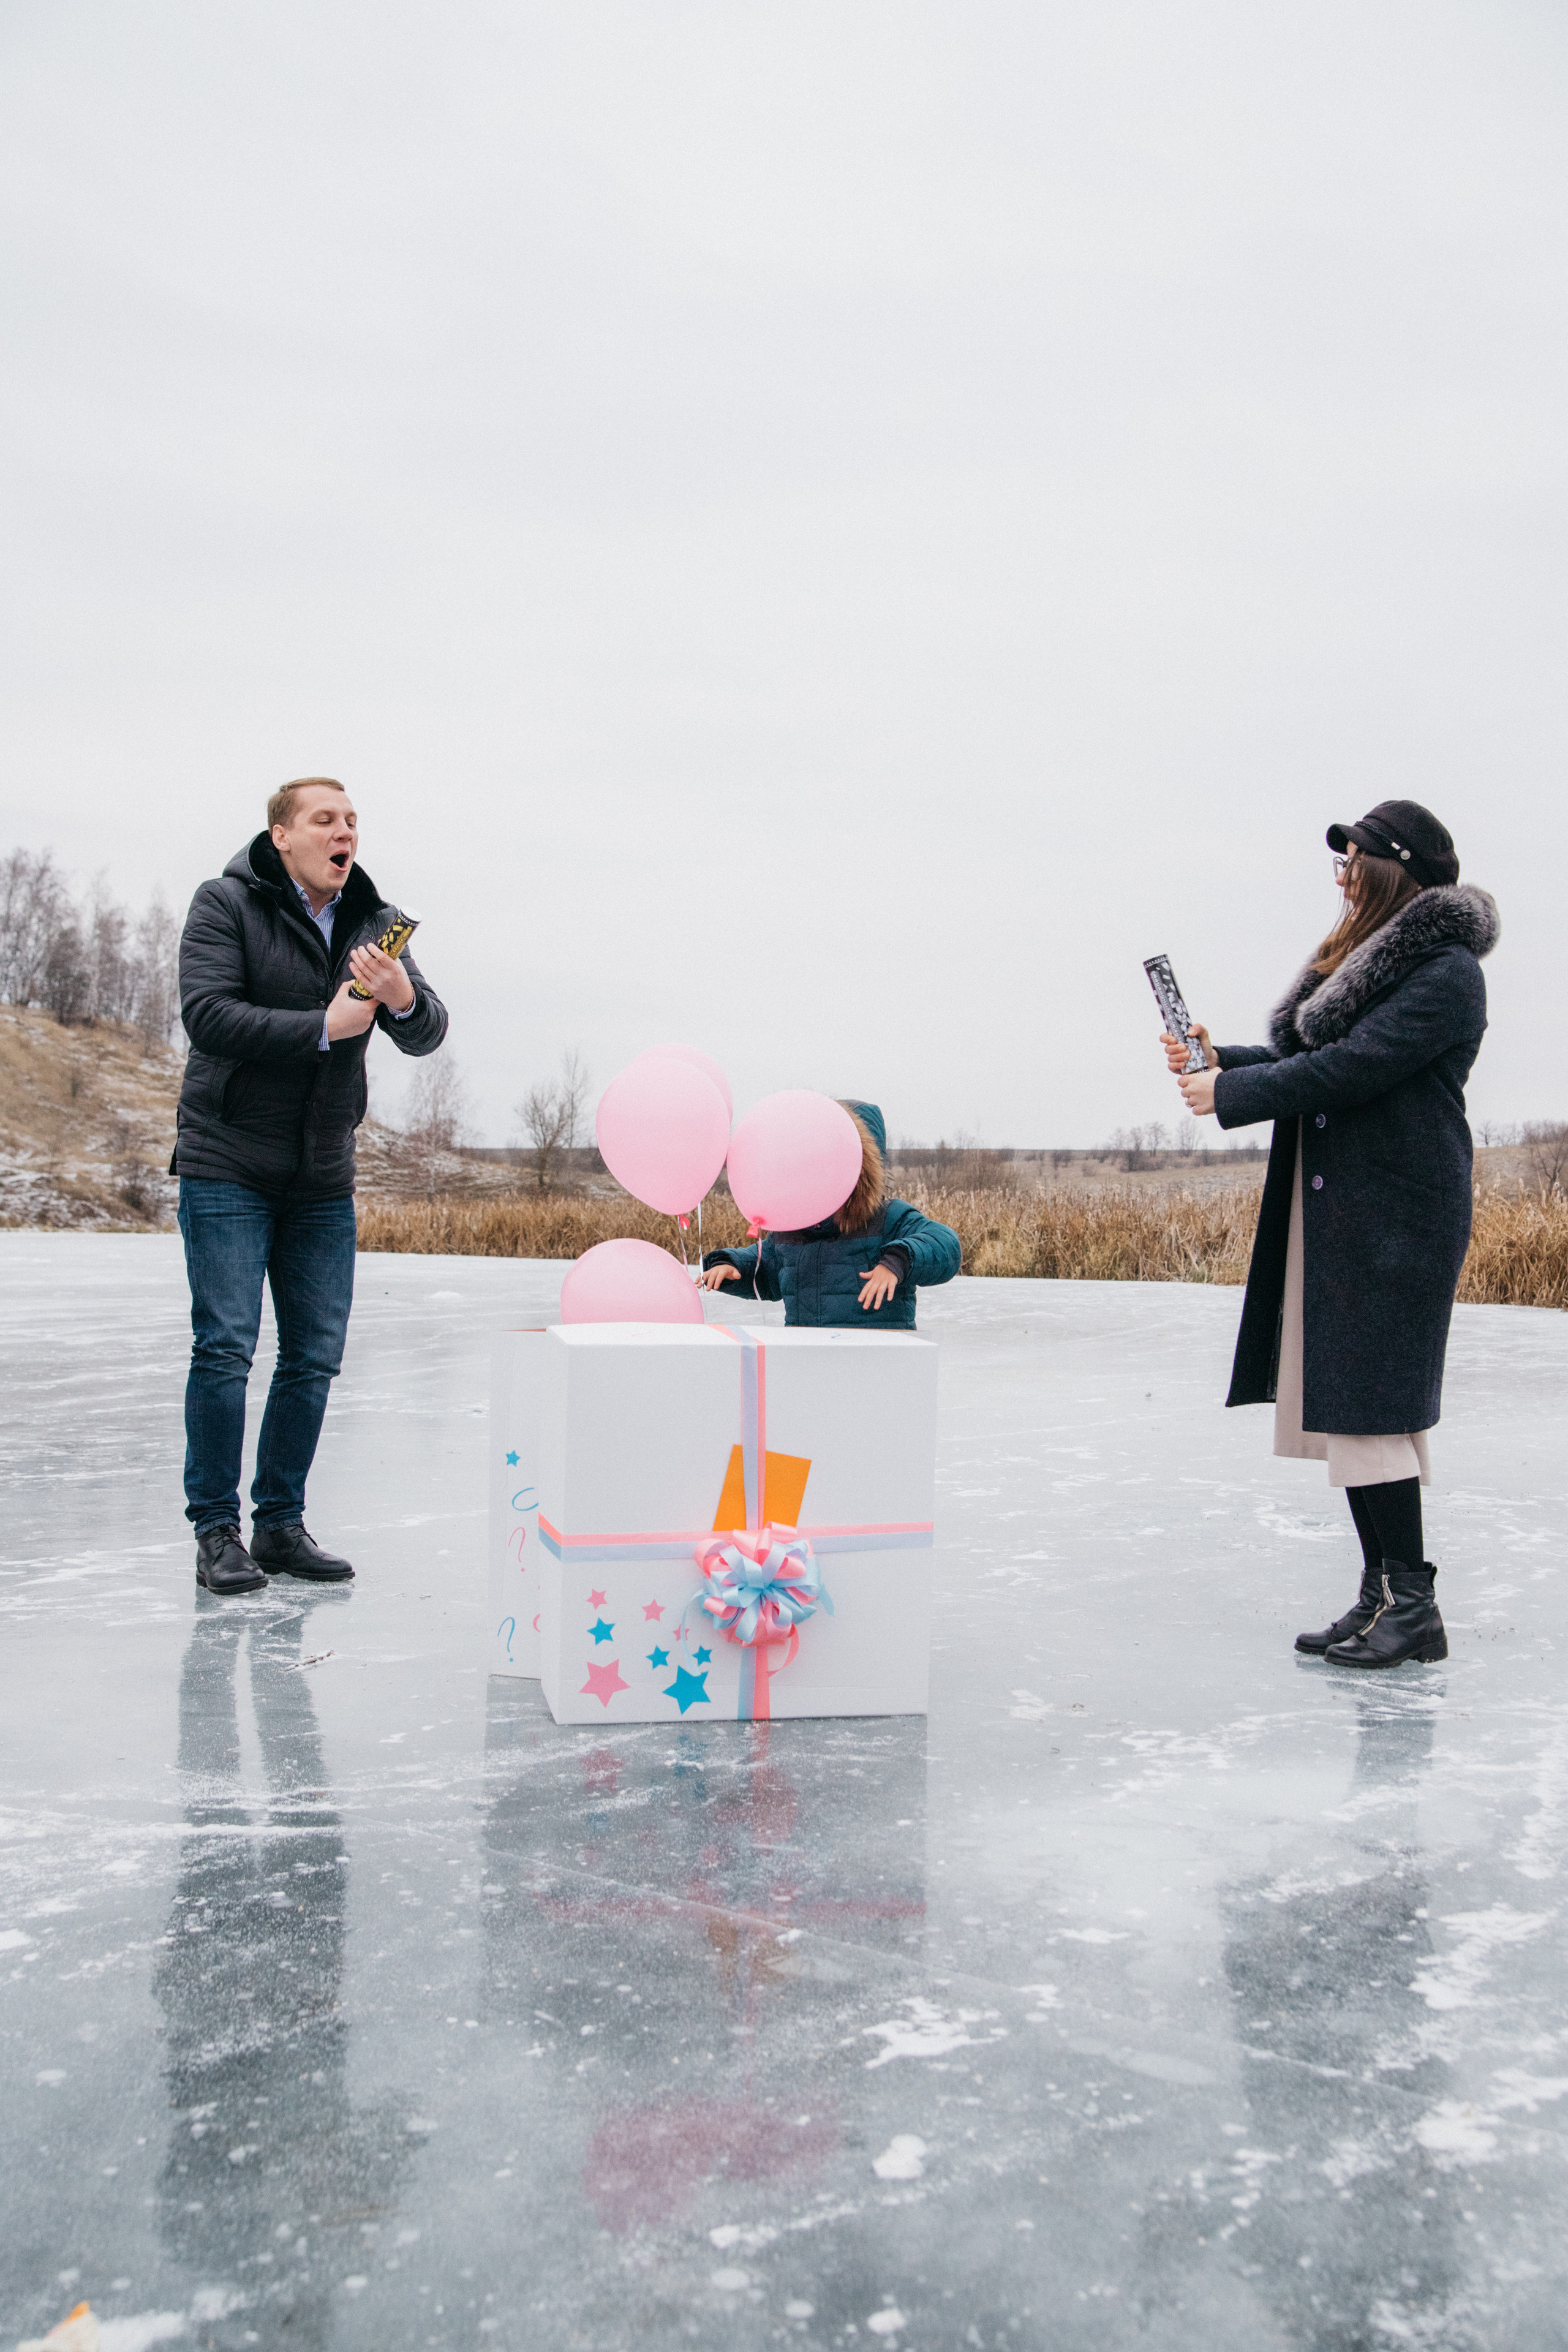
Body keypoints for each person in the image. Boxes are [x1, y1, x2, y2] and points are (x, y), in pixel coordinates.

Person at [1161, 801, 1499, 1670]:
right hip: (1357, 1211)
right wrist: (1224, 1061)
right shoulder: (1380, 963)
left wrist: (1229, 1097)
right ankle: (1384, 1595)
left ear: (1393, 868)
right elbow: (1318, 1058)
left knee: (1372, 1409)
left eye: (1352, 862)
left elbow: (1354, 1068)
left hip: (1397, 1218)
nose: (1342, 877)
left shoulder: (1446, 972)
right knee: (1356, 1408)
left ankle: (1412, 1607)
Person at [173, 777, 449, 1596]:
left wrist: (402, 997)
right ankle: (216, 1533)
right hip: (228, 1160)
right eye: (324, 820)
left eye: (352, 821)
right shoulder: (226, 903)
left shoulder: (374, 921)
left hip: (323, 1175)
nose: (344, 833)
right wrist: (322, 1028)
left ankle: (280, 1526)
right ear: (282, 836)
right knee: (226, 1347)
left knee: (314, 1357)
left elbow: (428, 1033)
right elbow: (208, 1015)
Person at [698, 1099, 961, 1324]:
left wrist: (897, 1262)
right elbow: (765, 1267)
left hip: (877, 1356)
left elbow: (945, 1244)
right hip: (810, 1357)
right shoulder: (793, 1227)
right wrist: (731, 1267)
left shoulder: (887, 1218)